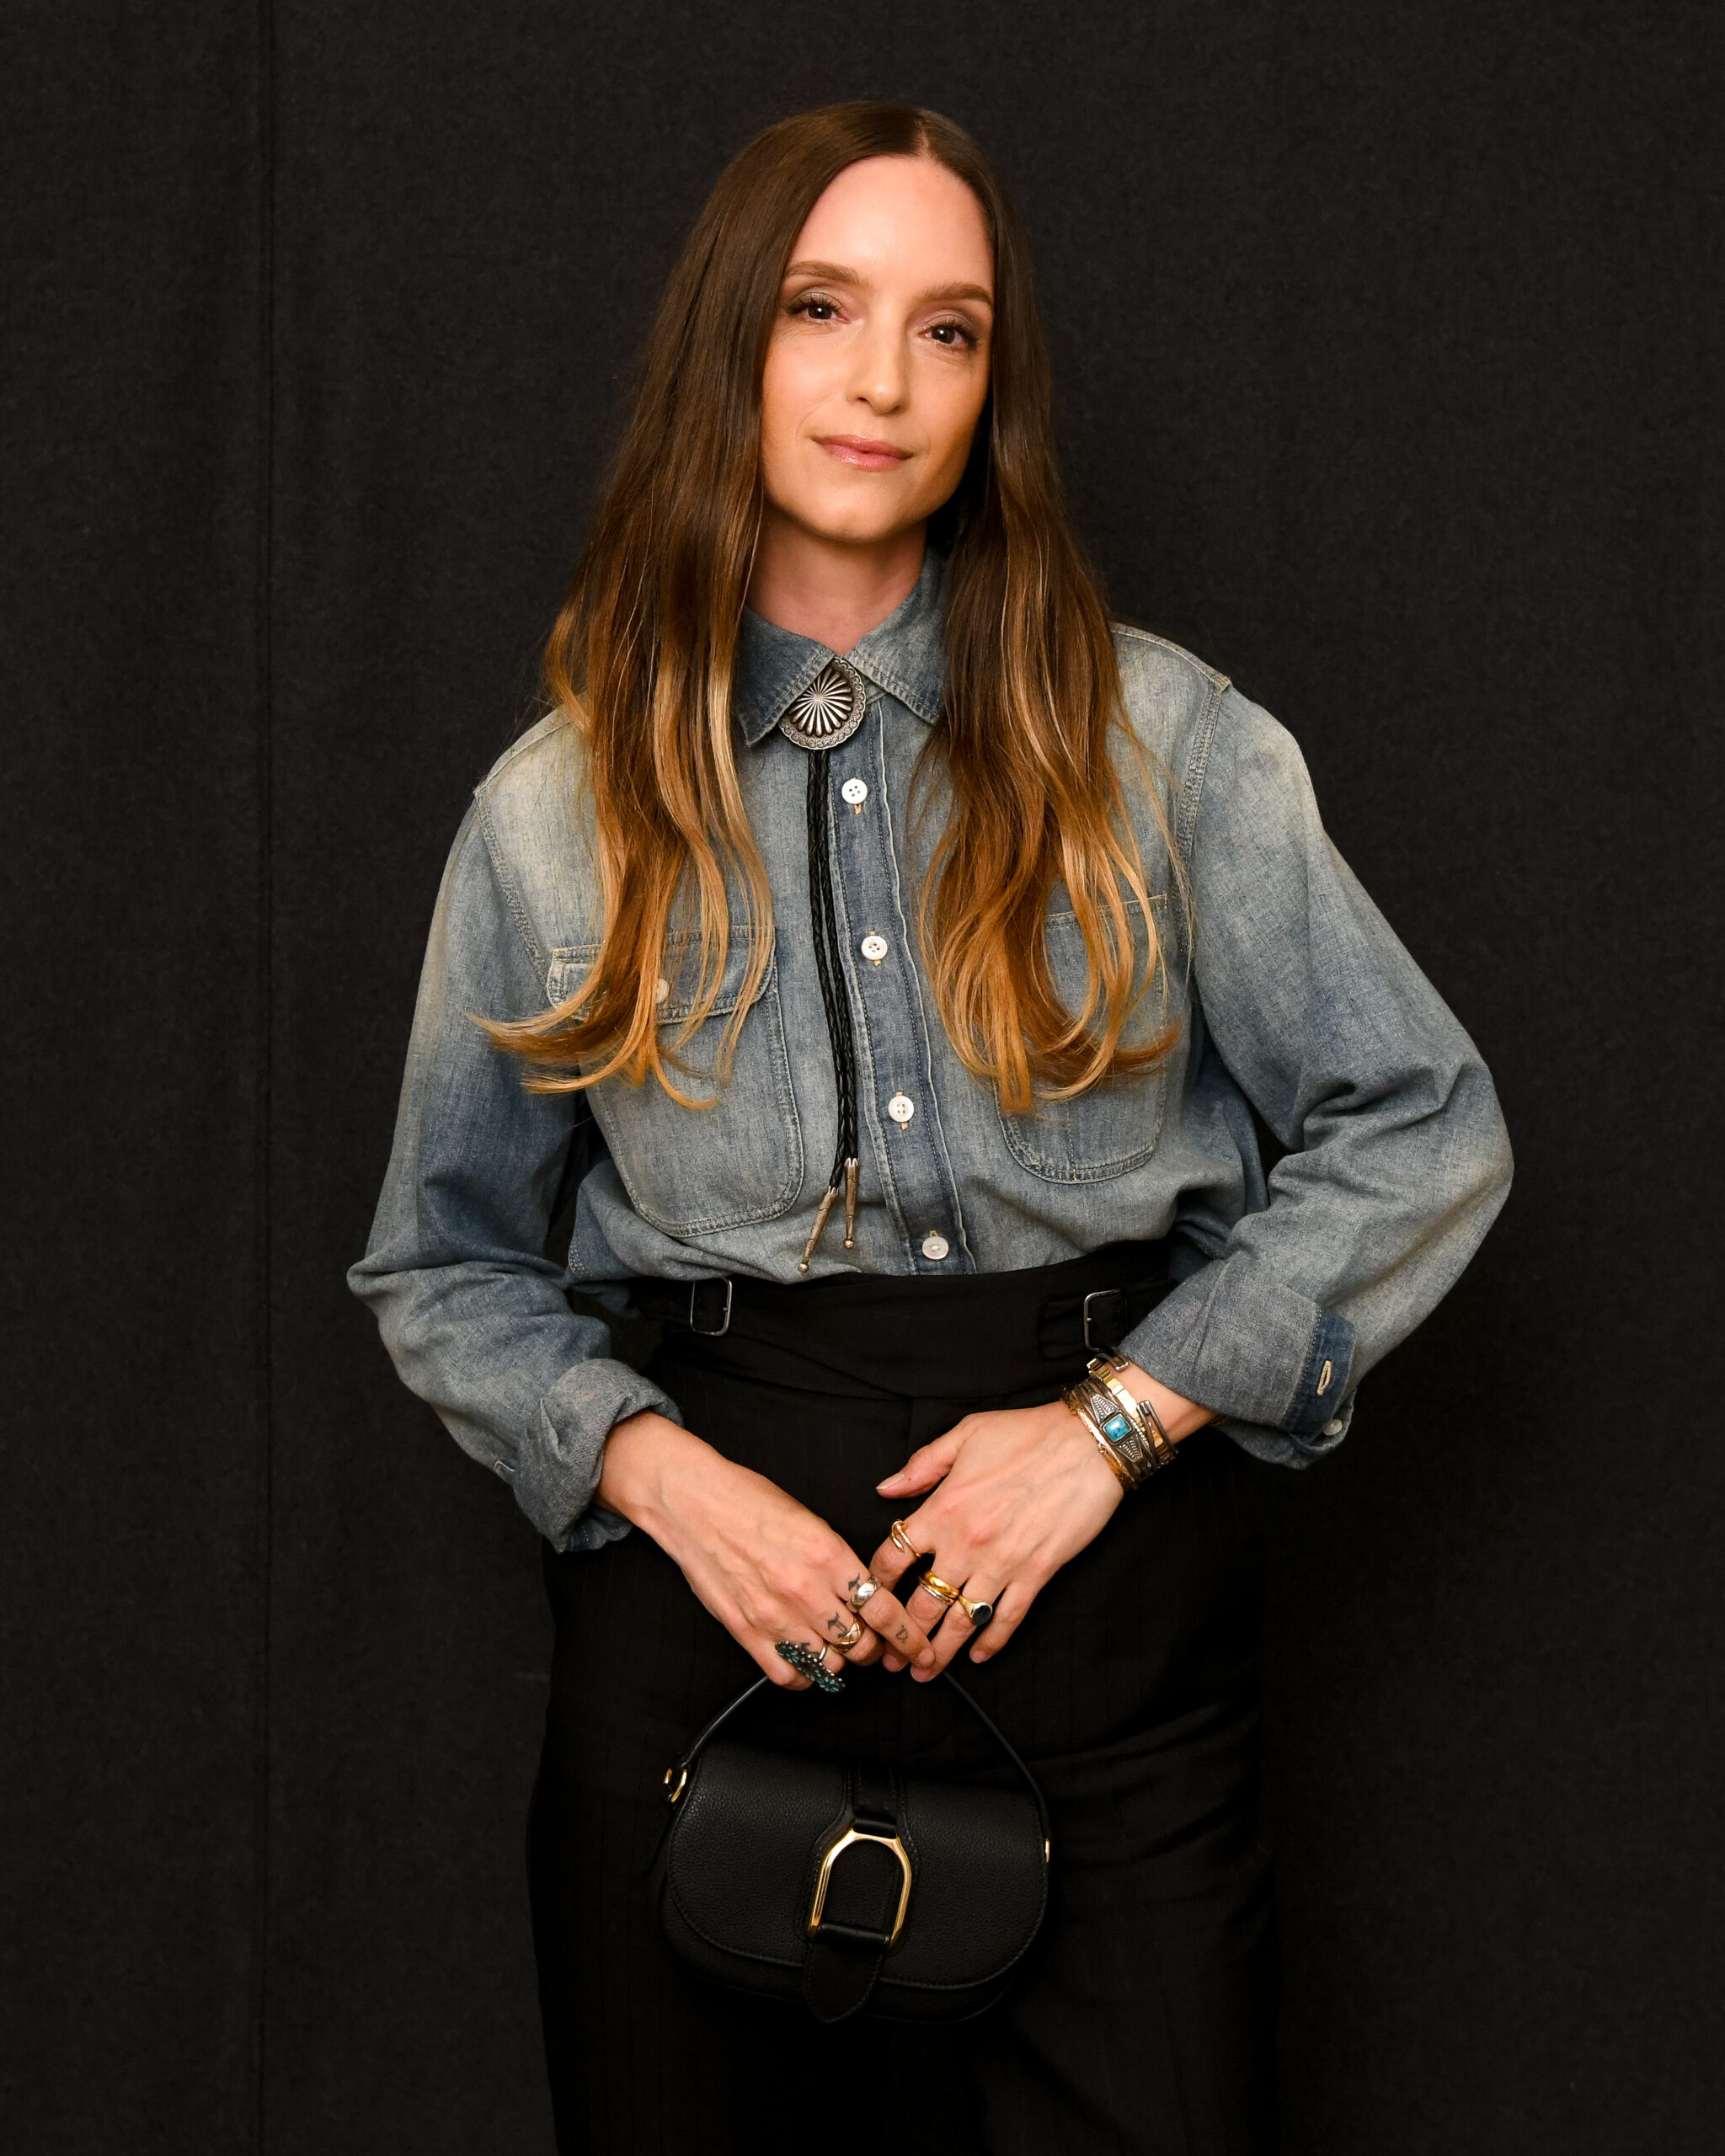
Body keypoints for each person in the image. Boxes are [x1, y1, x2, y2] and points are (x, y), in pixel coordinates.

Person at [350, 100, 1511, 2156]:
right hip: (701, 1657)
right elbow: (445, 1260)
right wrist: (663, 1479)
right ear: (731, 342)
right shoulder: (554, 807)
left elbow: (1423, 1121)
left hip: (1112, 1639)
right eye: (821, 307)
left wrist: (1108, 1430)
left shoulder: (1166, 743)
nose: (881, 378)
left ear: (994, 387)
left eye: (946, 327)